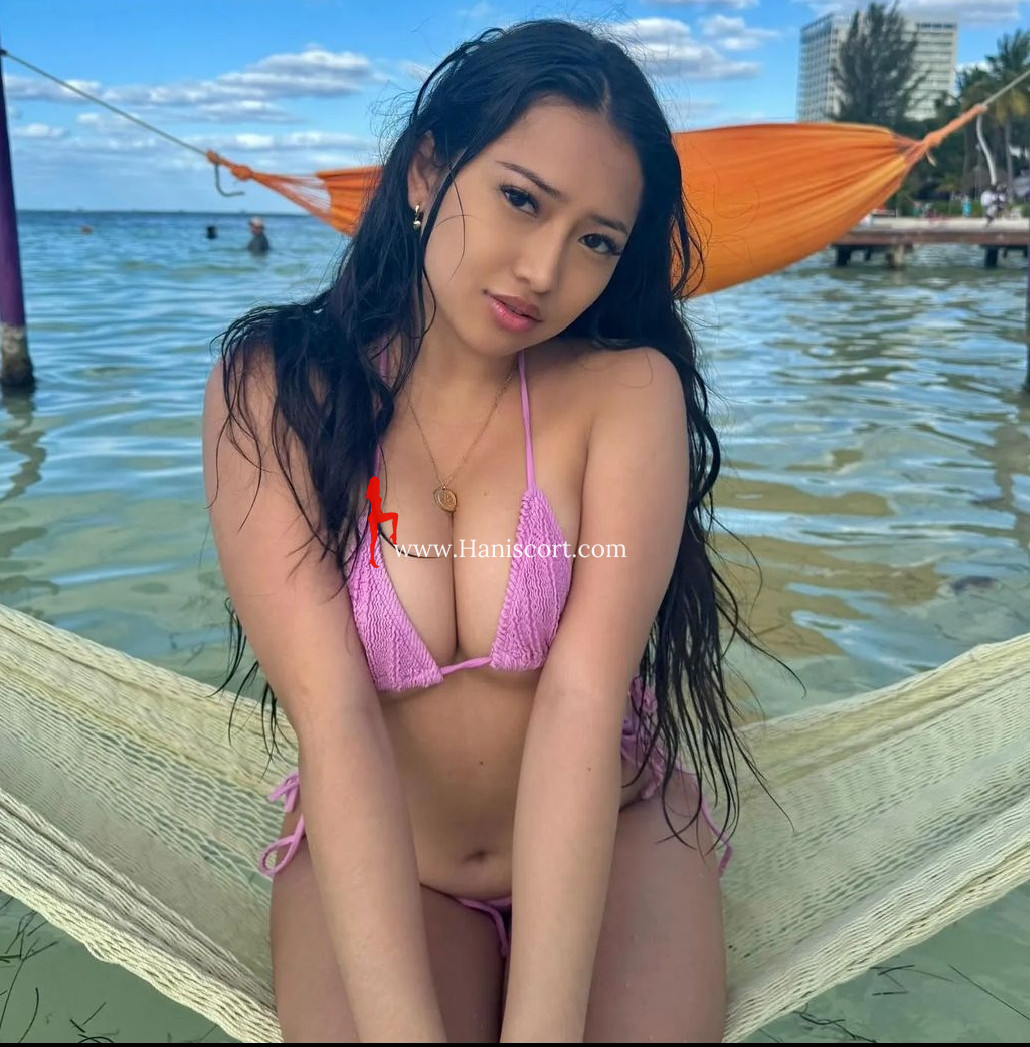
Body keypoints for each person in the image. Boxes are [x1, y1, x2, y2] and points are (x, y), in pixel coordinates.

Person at [202, 19, 765, 1043]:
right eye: (522, 200)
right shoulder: (281, 392)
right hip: (387, 862)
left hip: (616, 839)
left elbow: (583, 698)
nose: (544, 269)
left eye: (596, 241)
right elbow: (333, 714)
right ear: (428, 170)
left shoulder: (623, 395)